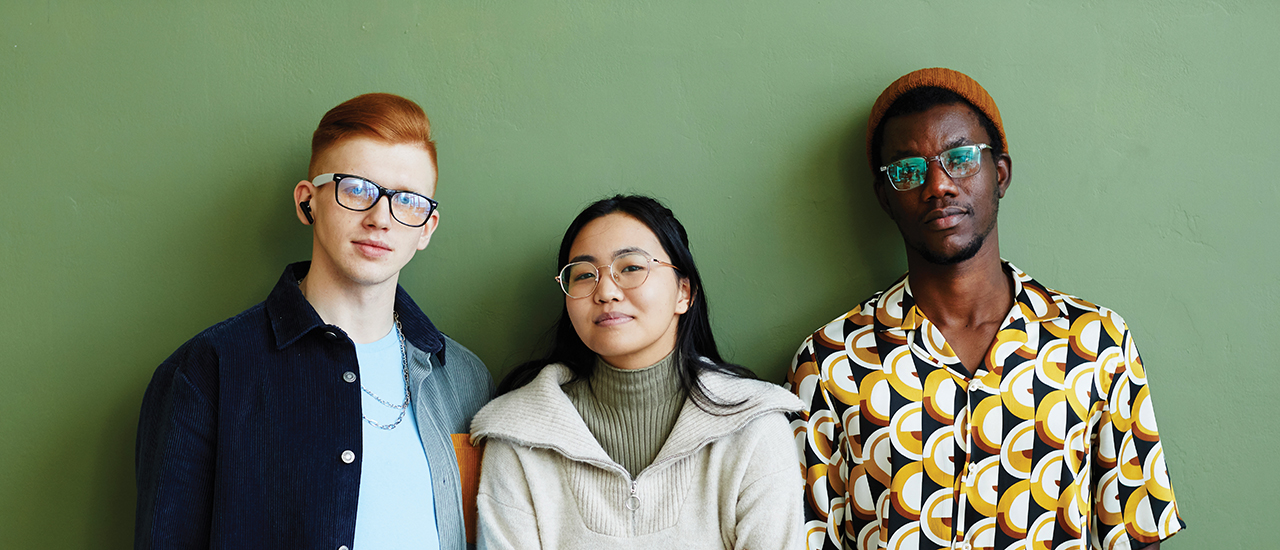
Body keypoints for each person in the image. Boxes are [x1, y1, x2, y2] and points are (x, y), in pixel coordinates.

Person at [785, 68, 1185, 550]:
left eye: (960, 158)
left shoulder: (1096, 344)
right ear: (885, 198)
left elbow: (1135, 535)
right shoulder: (831, 364)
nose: (939, 185)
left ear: (1000, 175)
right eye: (909, 170)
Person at [135, 93, 493, 550]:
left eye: (407, 200)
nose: (380, 218)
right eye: (357, 189)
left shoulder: (465, 380)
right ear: (308, 202)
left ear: (427, 227)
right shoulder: (208, 371)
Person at [470, 195, 804, 549]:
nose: (606, 292)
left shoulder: (753, 428)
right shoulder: (517, 435)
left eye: (630, 267)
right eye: (584, 275)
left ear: (684, 293)